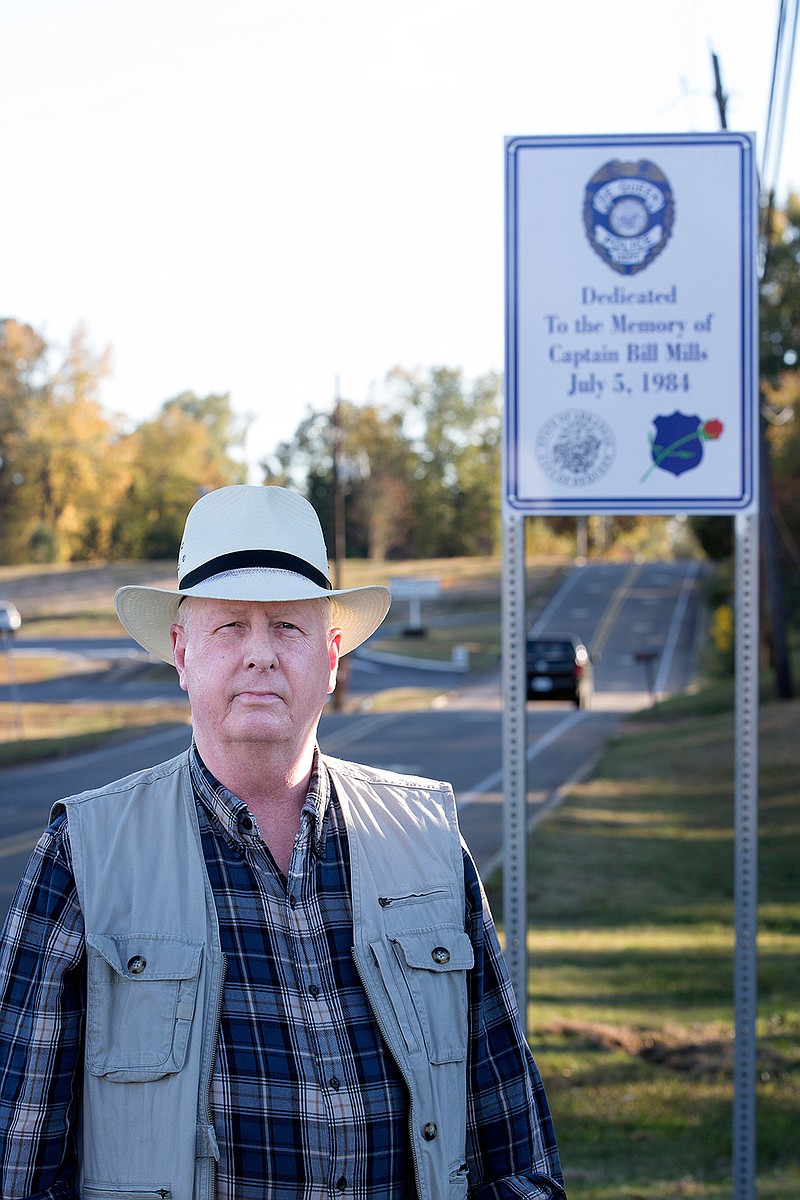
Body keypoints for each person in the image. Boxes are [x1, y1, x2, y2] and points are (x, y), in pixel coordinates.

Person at [0, 484, 565, 1200]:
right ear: (182, 651)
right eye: (231, 626)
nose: (261, 655)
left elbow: (519, 1156)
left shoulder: (427, 842)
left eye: (289, 628)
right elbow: (18, 1166)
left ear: (332, 656)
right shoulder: (82, 855)